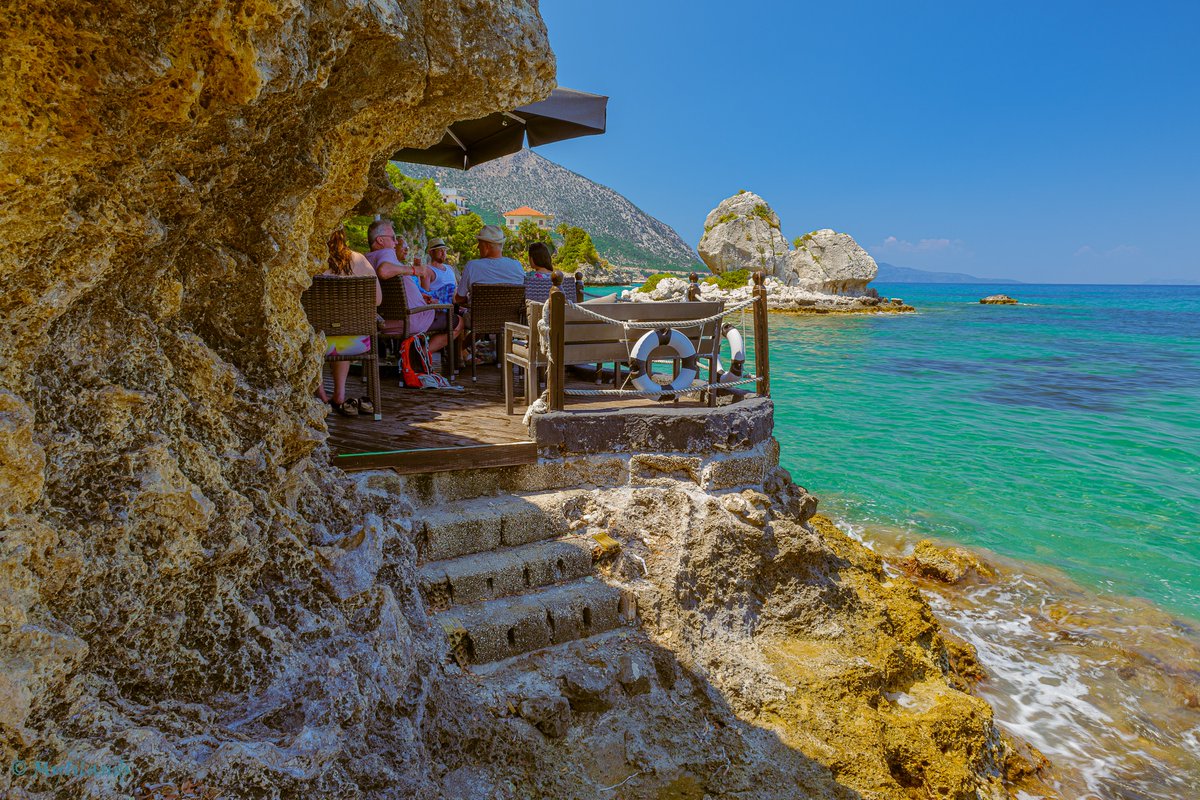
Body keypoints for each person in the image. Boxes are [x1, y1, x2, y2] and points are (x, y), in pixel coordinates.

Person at [364, 220, 456, 364]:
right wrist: (415, 270)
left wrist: (419, 297)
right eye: (393, 238)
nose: (395, 243)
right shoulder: (386, 253)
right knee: (457, 321)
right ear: (380, 240)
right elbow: (384, 270)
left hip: (385, 321)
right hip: (411, 319)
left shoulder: (366, 259)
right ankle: (416, 356)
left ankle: (412, 353)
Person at [317, 228, 382, 417]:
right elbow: (377, 299)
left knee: (321, 331)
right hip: (356, 343)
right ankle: (340, 395)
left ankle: (320, 394)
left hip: (317, 343)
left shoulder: (310, 260)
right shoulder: (359, 260)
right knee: (343, 330)